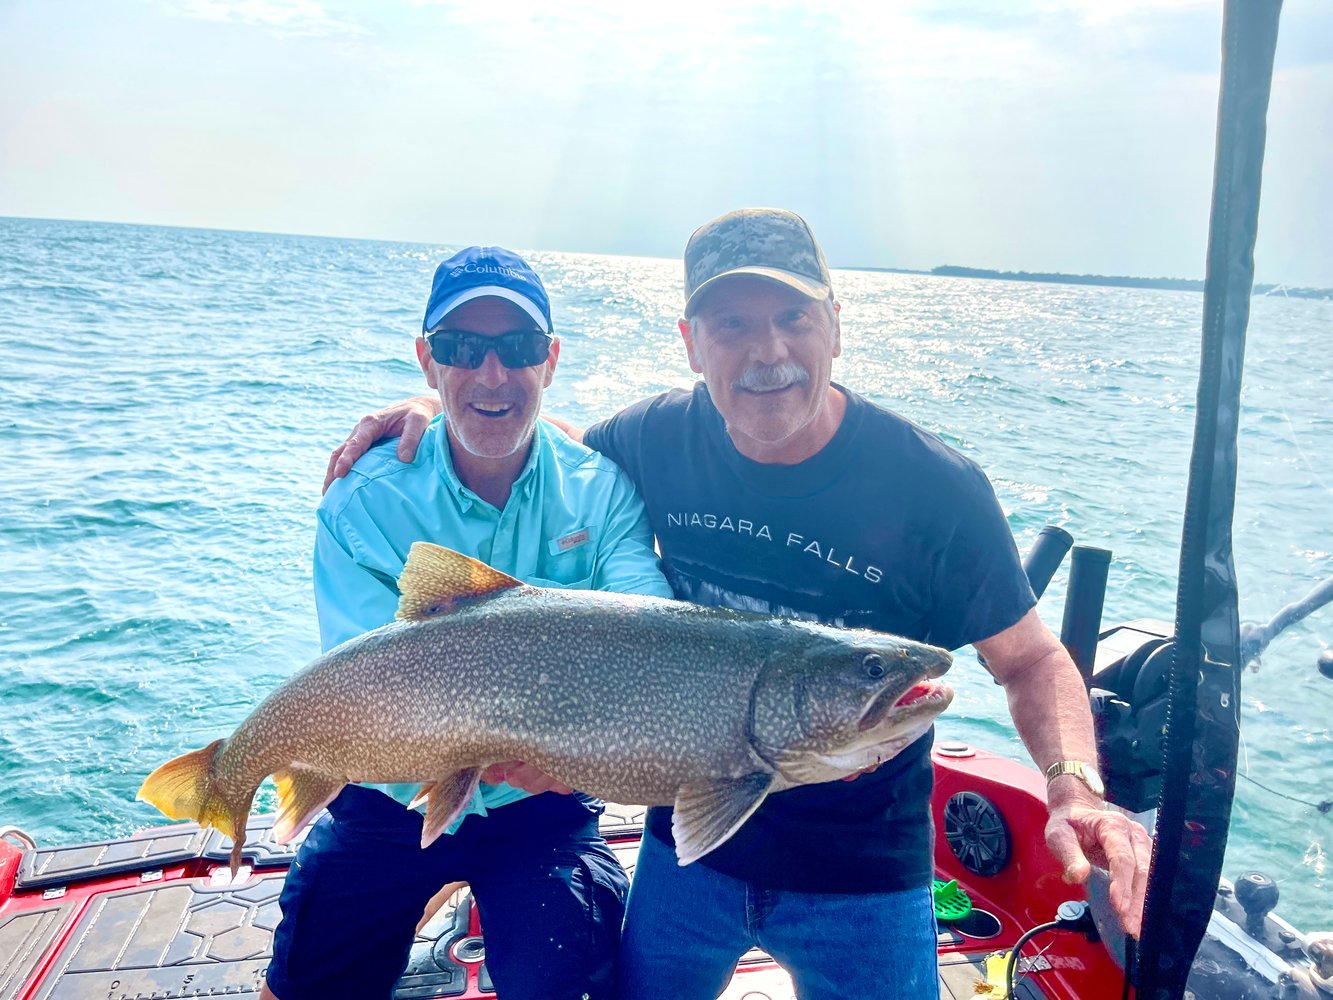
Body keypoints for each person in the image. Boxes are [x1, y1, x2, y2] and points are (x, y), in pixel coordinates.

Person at [325, 210, 1153, 999]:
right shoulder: (648, 441)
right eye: (731, 325)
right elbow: (524, 433)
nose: (768, 352)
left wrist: (1074, 788)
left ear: (835, 324)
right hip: (690, 859)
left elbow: (1030, 660)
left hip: (862, 872)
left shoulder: (935, 488)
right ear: (691, 345)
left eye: (793, 315)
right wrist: (434, 407)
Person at [264, 245, 674, 1000]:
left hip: (541, 808)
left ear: (549, 361)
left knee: (572, 978)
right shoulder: (363, 499)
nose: (491, 375)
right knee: (305, 982)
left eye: (516, 349)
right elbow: (362, 678)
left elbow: (650, 628)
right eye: (462, 349)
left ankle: (478, 896)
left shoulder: (601, 490)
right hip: (387, 797)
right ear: (427, 361)